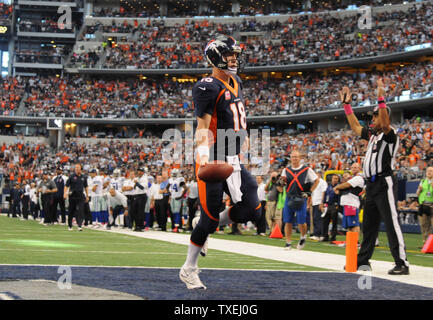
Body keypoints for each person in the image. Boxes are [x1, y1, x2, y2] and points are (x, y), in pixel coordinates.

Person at [180, 35, 262, 290]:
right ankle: (188, 268)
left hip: (233, 157)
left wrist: (243, 138)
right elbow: (202, 126)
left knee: (251, 209)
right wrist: (203, 157)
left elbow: (234, 116)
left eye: (236, 55)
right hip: (213, 154)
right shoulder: (207, 86)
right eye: (230, 55)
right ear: (216, 57)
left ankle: (206, 223)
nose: (234, 59)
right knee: (209, 220)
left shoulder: (235, 80)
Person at [340, 78, 409, 274]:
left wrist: (381, 98)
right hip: (371, 185)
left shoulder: (389, 134)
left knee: (391, 222)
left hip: (384, 181)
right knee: (369, 225)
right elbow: (355, 127)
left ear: (384, 117)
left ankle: (401, 263)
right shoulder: (373, 135)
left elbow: (386, 124)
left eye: (376, 117)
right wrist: (347, 106)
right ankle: (363, 260)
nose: (372, 120)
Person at [282, 150, 319, 250]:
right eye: (293, 157)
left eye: (296, 157)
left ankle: (303, 237)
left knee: (301, 221)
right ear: (290, 158)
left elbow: (316, 180)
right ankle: (288, 242)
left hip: (301, 198)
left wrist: (309, 192)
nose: (294, 159)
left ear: (300, 158)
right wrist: (281, 182)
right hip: (289, 197)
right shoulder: (286, 170)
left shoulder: (306, 169)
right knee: (287, 221)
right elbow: (283, 183)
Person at [333, 163, 365, 238]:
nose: (353, 169)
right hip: (347, 203)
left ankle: (356, 242)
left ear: (359, 168)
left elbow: (347, 185)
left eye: (355, 167)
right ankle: (350, 242)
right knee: (349, 226)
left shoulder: (358, 178)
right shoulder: (353, 178)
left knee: (354, 224)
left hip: (352, 203)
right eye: (352, 167)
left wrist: (336, 188)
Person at [64, 164, 89, 231]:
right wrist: (65, 193)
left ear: (81, 168)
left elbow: (86, 186)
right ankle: (70, 225)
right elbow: (66, 185)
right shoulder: (71, 176)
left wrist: (87, 195)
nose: (77, 169)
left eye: (78, 167)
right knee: (71, 211)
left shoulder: (84, 177)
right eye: (76, 168)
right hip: (72, 196)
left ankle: (80, 225)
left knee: (80, 210)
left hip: (80, 196)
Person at [416, 166, 433, 244]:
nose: (429, 172)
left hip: (432, 206)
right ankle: (426, 242)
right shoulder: (422, 181)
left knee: (431, 225)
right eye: (427, 171)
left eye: (431, 171)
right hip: (423, 205)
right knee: (423, 225)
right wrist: (419, 190)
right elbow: (417, 193)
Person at [321, 174, 341, 242]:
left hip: (334, 205)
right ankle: (325, 236)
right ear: (331, 179)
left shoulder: (339, 187)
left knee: (334, 223)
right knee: (325, 222)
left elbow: (339, 197)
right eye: (334, 178)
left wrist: (338, 205)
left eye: (336, 179)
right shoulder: (328, 186)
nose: (335, 180)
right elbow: (325, 195)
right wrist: (323, 203)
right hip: (327, 205)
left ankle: (333, 237)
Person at [309, 169, 327, 240]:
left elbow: (324, 192)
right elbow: (313, 193)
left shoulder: (322, 182)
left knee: (318, 219)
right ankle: (316, 233)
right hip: (314, 202)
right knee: (315, 218)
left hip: (319, 202)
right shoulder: (314, 182)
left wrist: (322, 203)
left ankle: (318, 234)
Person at [132, 167, 148, 231]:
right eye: (138, 171)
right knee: (135, 211)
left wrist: (137, 183)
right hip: (136, 195)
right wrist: (136, 183)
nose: (138, 172)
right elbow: (134, 187)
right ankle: (136, 225)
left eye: (140, 171)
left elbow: (142, 187)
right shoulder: (137, 178)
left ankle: (141, 226)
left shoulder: (144, 179)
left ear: (142, 172)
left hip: (142, 195)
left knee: (140, 212)